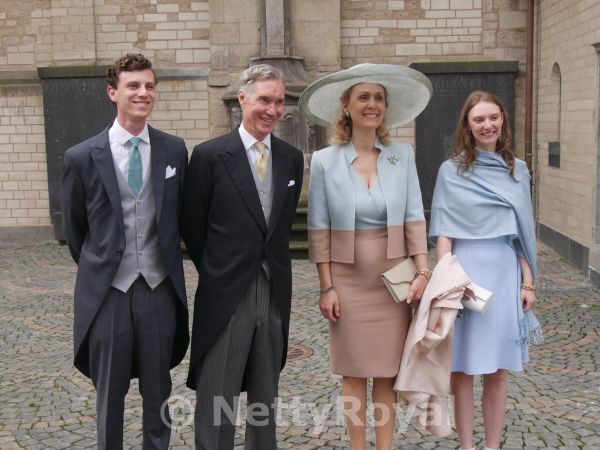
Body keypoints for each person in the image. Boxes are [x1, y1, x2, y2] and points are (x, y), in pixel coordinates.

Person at [59, 53, 190, 450]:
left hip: (158, 288)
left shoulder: (173, 150)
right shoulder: (82, 157)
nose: (143, 93)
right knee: (109, 397)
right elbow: (75, 232)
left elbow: (178, 216)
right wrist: (106, 267)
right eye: (133, 86)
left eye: (149, 86)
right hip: (108, 294)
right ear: (112, 92)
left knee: (158, 395)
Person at [299, 63, 433, 450]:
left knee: (388, 373)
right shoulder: (325, 161)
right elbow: (319, 229)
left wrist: (423, 271)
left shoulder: (401, 156)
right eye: (363, 97)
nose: (371, 104)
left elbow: (413, 216)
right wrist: (327, 287)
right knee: (354, 374)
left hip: (395, 283)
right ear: (346, 105)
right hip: (348, 280)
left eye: (378, 98)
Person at [182, 64, 304, 450]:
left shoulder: (290, 158)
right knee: (218, 399)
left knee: (264, 401)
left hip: (273, 292)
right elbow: (193, 226)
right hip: (225, 295)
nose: (273, 109)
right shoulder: (209, 156)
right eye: (265, 100)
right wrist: (221, 268)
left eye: (280, 102)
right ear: (243, 98)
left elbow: (279, 228)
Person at [429, 90, 543, 450]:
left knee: (497, 371)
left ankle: (492, 446)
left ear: (502, 120)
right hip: (466, 277)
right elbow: (444, 233)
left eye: (493, 117)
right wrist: (449, 281)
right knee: (462, 370)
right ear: (468, 124)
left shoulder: (518, 170)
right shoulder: (452, 170)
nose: (487, 124)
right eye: (479, 119)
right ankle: (466, 445)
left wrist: (528, 282)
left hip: (505, 274)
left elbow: (523, 233)